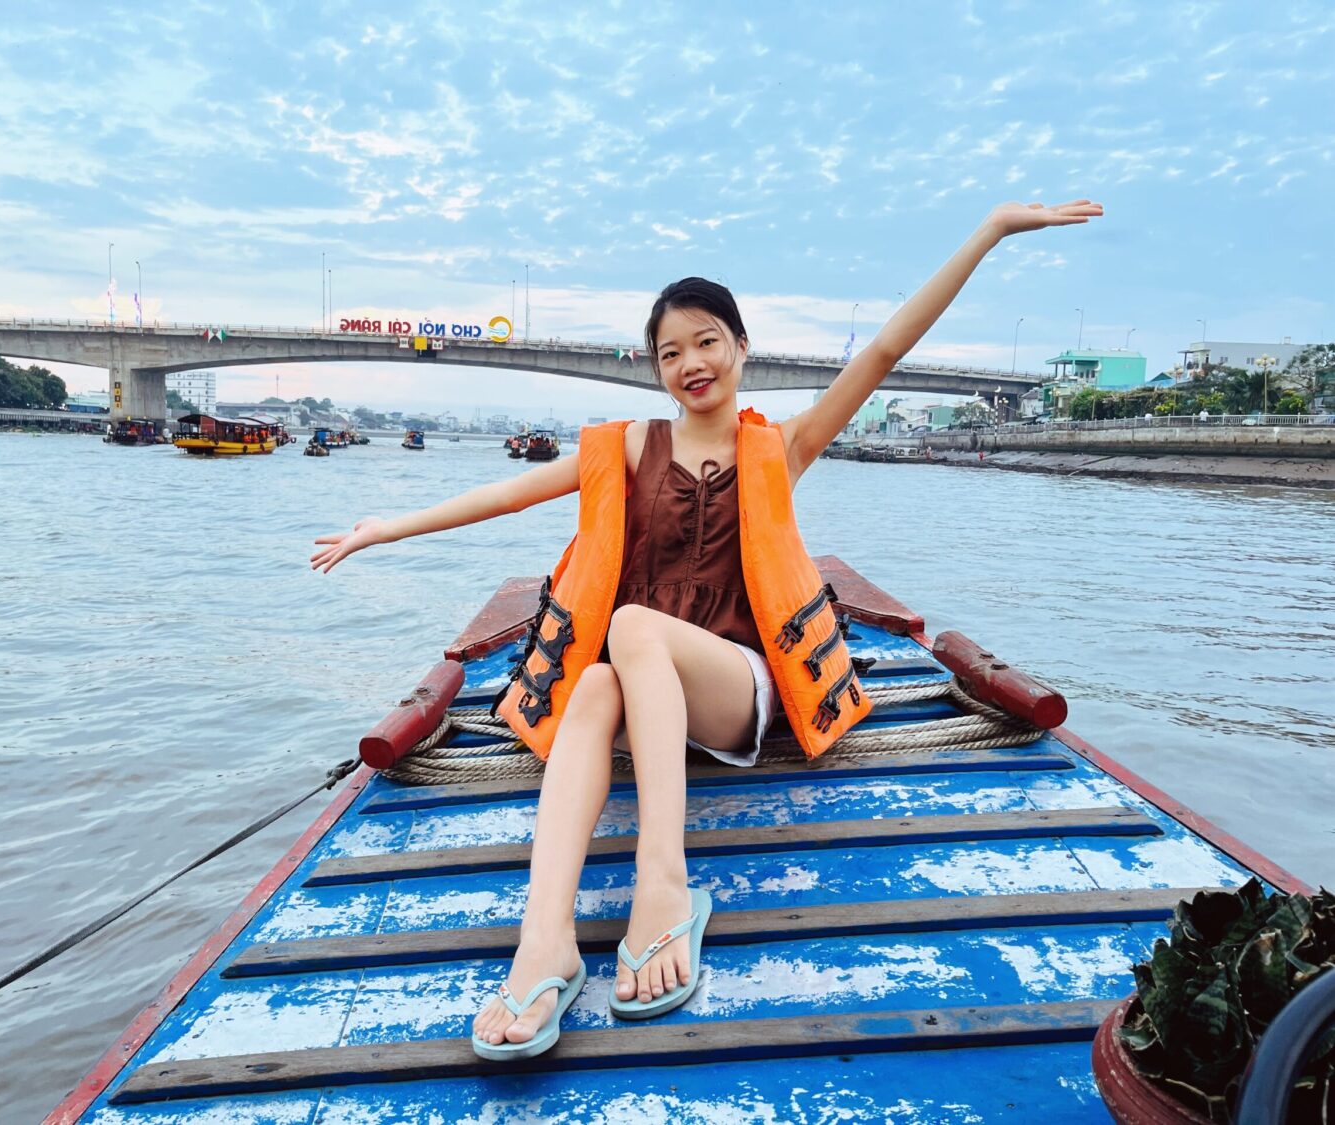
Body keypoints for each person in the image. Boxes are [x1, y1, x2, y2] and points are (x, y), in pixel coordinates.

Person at [310, 199, 1103, 1059]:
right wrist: (384, 527)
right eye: (670, 352)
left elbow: (884, 350)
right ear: (656, 370)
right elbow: (503, 494)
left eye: (706, 341)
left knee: (635, 629)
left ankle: (664, 884)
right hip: (636, 691)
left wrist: (988, 232)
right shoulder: (625, 448)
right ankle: (545, 940)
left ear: (740, 347)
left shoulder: (784, 446)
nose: (691, 362)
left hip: (733, 695)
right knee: (602, 674)